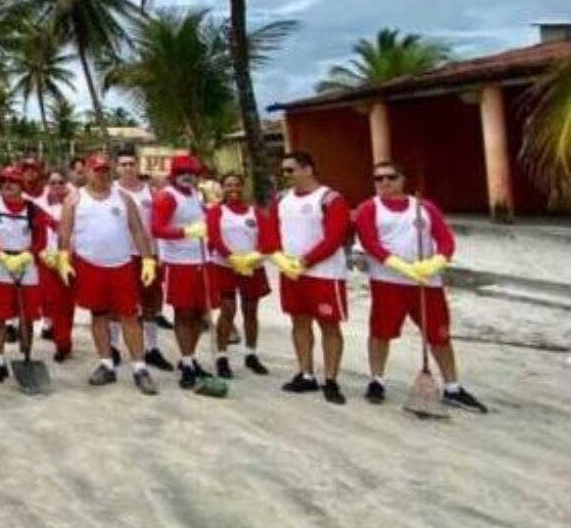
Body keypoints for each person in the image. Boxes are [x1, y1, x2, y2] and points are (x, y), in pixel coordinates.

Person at [354, 161, 486, 412]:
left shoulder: (424, 208)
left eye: (390, 177)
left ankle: (453, 387)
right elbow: (370, 243)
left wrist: (436, 262)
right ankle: (377, 380)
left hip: (426, 283)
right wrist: (401, 266)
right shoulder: (369, 208)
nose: (384, 182)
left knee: (439, 335)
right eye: (378, 178)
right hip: (388, 282)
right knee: (381, 333)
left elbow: (446, 240)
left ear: (402, 179)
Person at [56, 153, 161, 396]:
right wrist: (62, 257)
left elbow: (137, 230)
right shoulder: (74, 198)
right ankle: (106, 363)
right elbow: (64, 231)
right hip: (90, 264)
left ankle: (140, 367)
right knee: (99, 315)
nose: (101, 174)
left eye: (105, 170)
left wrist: (147, 259)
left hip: (121, 265)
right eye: (96, 170)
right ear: (88, 172)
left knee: (130, 317)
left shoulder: (123, 197)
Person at [264, 150, 353, 406]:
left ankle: (331, 380)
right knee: (299, 323)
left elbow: (334, 238)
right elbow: (271, 233)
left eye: (290, 170)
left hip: (324, 274)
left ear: (308, 169)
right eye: (284, 171)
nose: (286, 175)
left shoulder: (330, 198)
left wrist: (304, 262)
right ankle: (306, 374)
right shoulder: (281, 199)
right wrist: (281, 259)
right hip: (292, 273)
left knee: (329, 326)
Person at [150, 155, 219, 389]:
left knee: (201, 315)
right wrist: (186, 232)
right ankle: (188, 363)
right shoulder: (167, 196)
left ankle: (188, 357)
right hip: (178, 263)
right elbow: (157, 228)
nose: (188, 176)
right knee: (184, 313)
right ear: (174, 173)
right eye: (183, 172)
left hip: (202, 259)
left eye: (192, 172)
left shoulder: (197, 195)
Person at [0, 167, 49, 385]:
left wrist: (26, 256)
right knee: (0, 316)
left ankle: (27, 354)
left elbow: (41, 239)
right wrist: (1, 255)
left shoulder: (32, 209)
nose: (7, 185)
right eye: (3, 181)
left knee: (27, 315)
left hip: (26, 265)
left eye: (13, 181)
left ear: (21, 186)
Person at [206, 172, 270, 379]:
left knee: (251, 311)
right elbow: (215, 238)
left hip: (251, 267)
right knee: (228, 311)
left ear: (243, 187)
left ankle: (251, 354)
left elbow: (266, 238)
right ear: (222, 188)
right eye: (228, 185)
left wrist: (255, 256)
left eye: (237, 185)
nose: (233, 189)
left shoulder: (255, 212)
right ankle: (222, 356)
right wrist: (232, 258)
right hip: (225, 267)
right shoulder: (217, 212)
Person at [116, 149, 171, 370]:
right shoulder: (112, 191)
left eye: (131, 163)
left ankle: (152, 348)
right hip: (122, 255)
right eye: (123, 164)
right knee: (119, 305)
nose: (128, 168)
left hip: (149, 254)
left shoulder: (152, 191)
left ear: (138, 166)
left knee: (151, 303)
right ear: (116, 167)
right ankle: (112, 347)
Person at [35, 171, 76, 363]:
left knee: (66, 303)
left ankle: (64, 341)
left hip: (69, 259)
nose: (57, 185)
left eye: (61, 182)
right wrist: (40, 252)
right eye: (53, 182)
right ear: (47, 184)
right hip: (47, 259)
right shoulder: (39, 205)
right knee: (52, 301)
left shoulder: (76, 203)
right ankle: (59, 338)